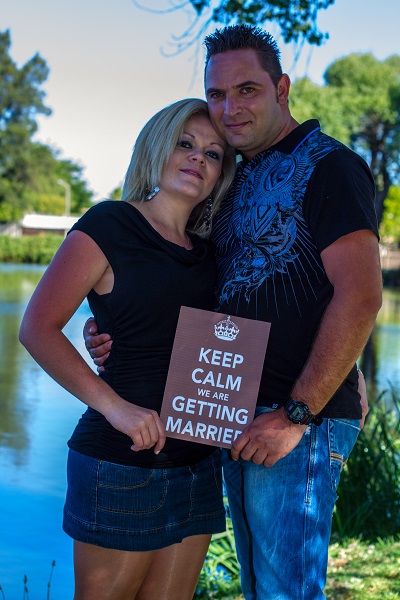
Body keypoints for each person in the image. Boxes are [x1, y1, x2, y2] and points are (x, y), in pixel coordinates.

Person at [84, 25, 382, 600]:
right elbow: (193, 285)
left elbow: (362, 295)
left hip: (294, 419)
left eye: (247, 90)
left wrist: (298, 413)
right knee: (260, 588)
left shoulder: (331, 166)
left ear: (282, 89)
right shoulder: (231, 177)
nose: (229, 108)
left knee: (287, 591)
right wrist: (114, 326)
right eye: (216, 94)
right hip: (227, 408)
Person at [19, 98, 236, 600]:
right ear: (156, 148)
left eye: (213, 153)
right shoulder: (110, 225)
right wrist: (115, 408)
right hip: (122, 462)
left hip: (199, 465)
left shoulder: (212, 254)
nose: (197, 158)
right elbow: (38, 328)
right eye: (185, 143)